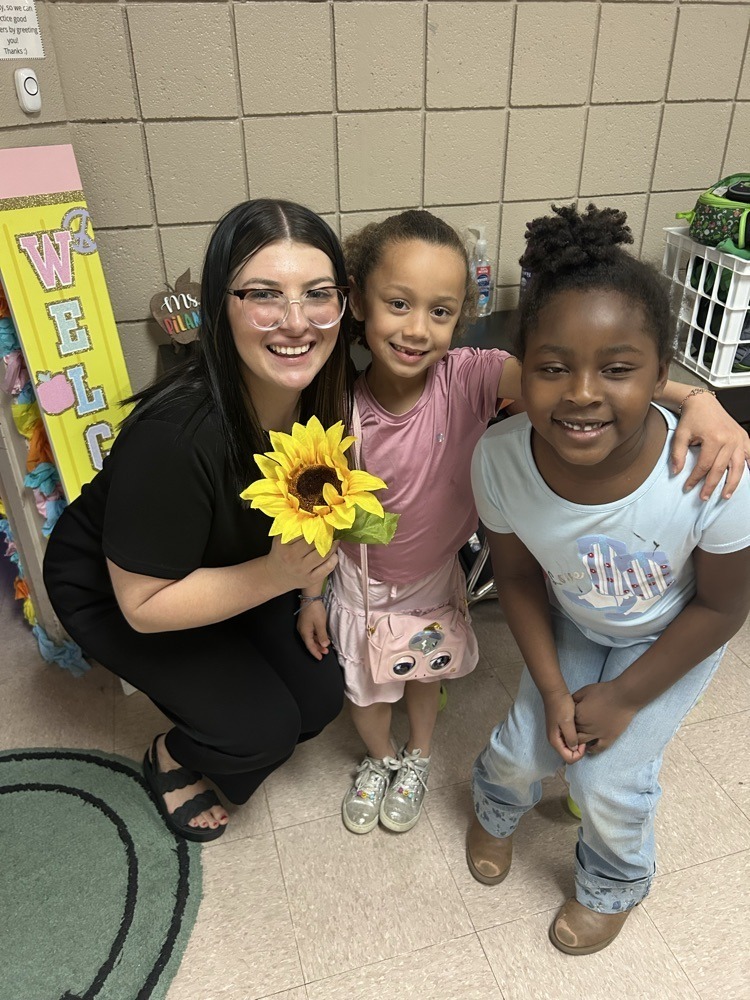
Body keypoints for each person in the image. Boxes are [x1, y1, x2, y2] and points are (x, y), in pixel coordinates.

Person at [296, 208, 750, 837]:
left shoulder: (471, 376)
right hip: (356, 579)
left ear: (462, 317)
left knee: (424, 673)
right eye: (398, 303)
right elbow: (306, 509)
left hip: (433, 579)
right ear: (359, 303)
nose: (416, 329)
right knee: (364, 687)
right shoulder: (331, 400)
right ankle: (379, 761)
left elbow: (573, 377)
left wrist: (702, 399)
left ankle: (419, 755)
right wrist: (310, 592)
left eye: (440, 311)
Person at [467, 203, 750, 955]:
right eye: (553, 367)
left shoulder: (710, 475)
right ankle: (495, 809)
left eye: (618, 369)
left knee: (607, 782)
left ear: (664, 375)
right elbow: (518, 579)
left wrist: (624, 697)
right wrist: (557, 691)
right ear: (521, 369)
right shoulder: (499, 460)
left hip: (676, 630)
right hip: (571, 616)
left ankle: (614, 881)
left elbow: (725, 605)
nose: (583, 391)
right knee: (527, 743)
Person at [43, 199, 354, 842]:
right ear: (220, 307)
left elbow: (311, 509)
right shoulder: (174, 437)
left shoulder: (321, 391)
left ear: (342, 304)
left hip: (235, 562)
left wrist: (310, 593)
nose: (297, 323)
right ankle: (172, 755)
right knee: (258, 731)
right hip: (123, 588)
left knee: (321, 697)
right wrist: (274, 578)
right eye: (264, 295)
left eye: (317, 295)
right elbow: (143, 605)